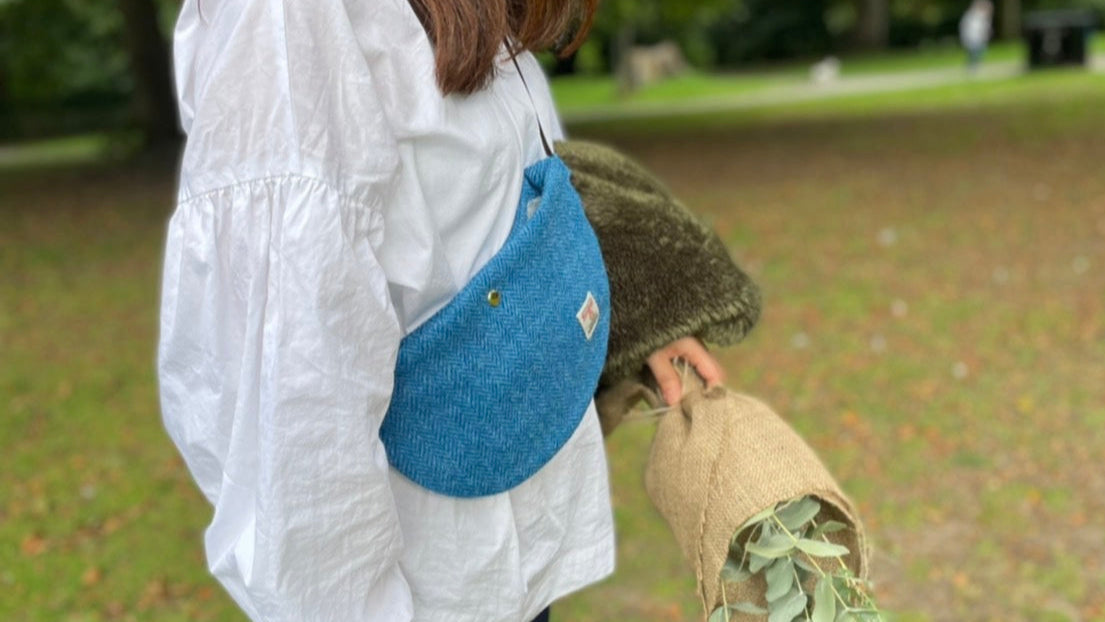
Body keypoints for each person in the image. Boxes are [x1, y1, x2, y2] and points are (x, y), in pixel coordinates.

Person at [157, 1, 723, 621]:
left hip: (508, 547)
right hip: (427, 581)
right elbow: (295, 381)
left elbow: (508, 190)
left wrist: (631, 311)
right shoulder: (290, 16)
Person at [960, 0, 994, 73]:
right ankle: (972, 67)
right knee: (974, 53)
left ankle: (973, 66)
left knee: (978, 52)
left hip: (978, 38)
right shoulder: (973, 16)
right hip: (973, 38)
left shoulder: (981, 16)